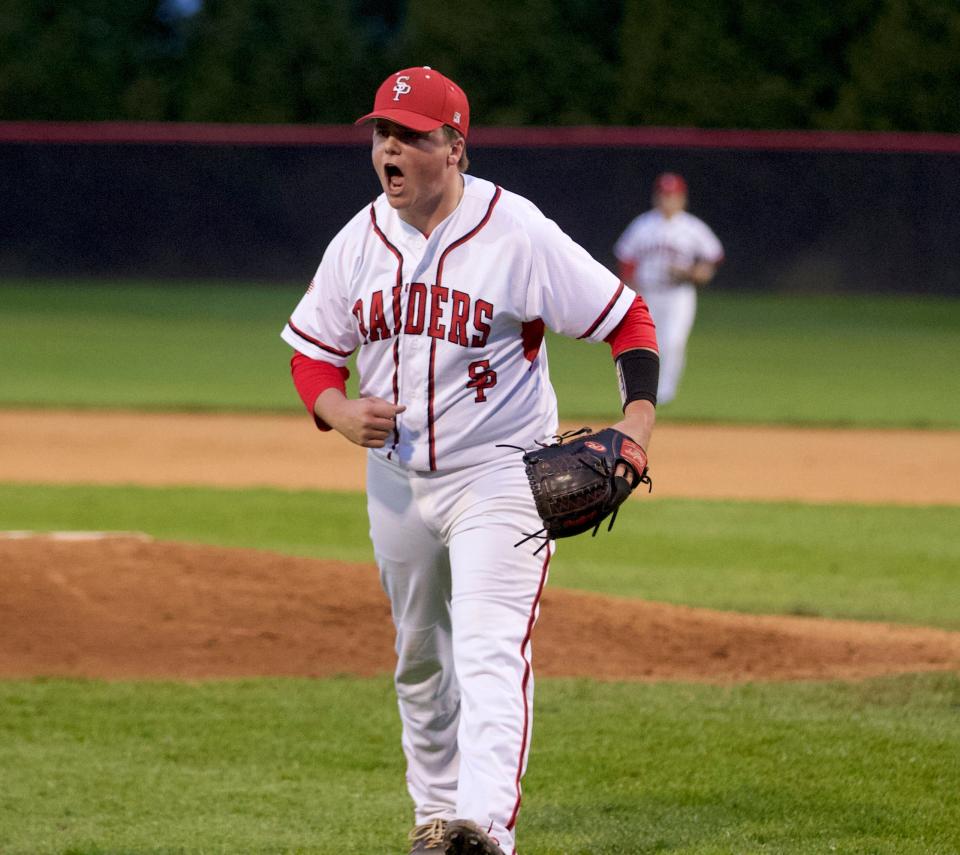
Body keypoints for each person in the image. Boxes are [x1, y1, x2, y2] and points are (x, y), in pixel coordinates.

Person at [281, 66, 659, 855]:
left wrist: (637, 424)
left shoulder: (514, 231)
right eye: (383, 133)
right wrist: (339, 410)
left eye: (411, 136)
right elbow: (313, 354)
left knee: (488, 647)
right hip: (393, 476)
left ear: (454, 147)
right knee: (420, 654)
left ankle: (483, 831)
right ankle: (433, 819)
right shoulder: (358, 241)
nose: (390, 148)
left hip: (501, 474)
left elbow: (626, 317)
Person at [613, 172, 724, 405]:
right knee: (644, 341)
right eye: (664, 195)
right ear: (656, 197)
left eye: (672, 196)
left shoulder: (692, 227)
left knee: (673, 341)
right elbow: (625, 257)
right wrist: (630, 289)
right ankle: (645, 390)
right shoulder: (643, 225)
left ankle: (664, 394)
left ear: (682, 199)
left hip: (678, 294)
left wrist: (695, 272)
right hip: (647, 292)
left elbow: (714, 256)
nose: (668, 200)